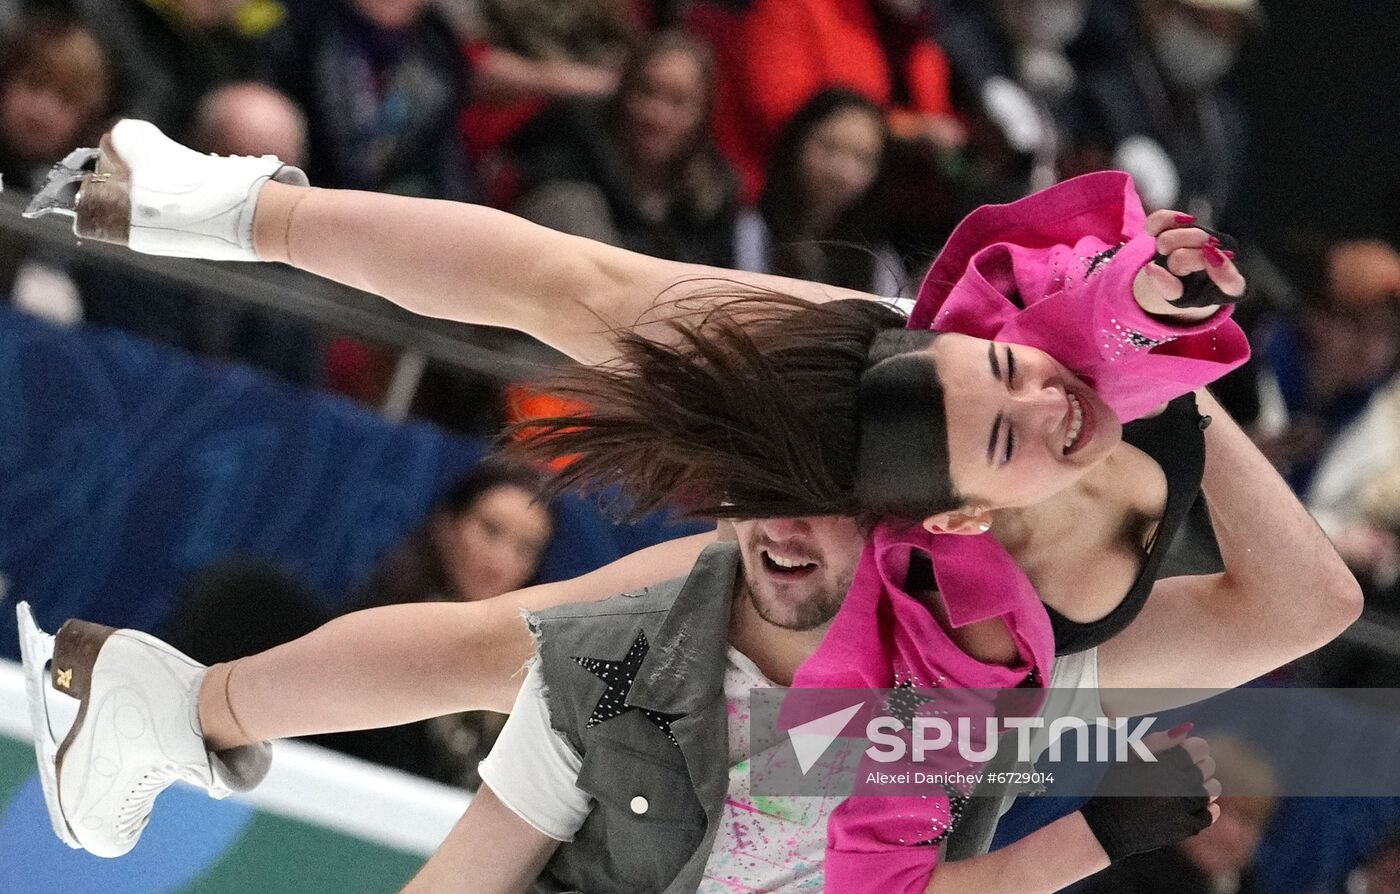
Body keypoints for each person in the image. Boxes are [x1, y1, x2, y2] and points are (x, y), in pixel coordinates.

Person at [17, 120, 1358, 885]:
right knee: (577, 293)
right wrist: (1144, 360)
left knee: (521, 638)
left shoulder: (1026, 630)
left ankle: (175, 705)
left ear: (969, 530)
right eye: (1028, 385)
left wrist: (1179, 390)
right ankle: (221, 204)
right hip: (892, 374)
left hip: (868, 546)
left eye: (1044, 429)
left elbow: (1314, 606)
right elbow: (1098, 300)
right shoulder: (1048, 360)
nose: (1067, 414)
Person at [510, 31, 740, 268]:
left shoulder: (712, 196)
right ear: (623, 93)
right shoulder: (570, 151)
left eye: (678, 102)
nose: (657, 116)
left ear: (702, 116)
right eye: (647, 92)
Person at [735, 88, 904, 295]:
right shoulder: (745, 231)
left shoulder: (881, 265)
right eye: (829, 147)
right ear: (798, 141)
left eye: (862, 158)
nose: (841, 171)